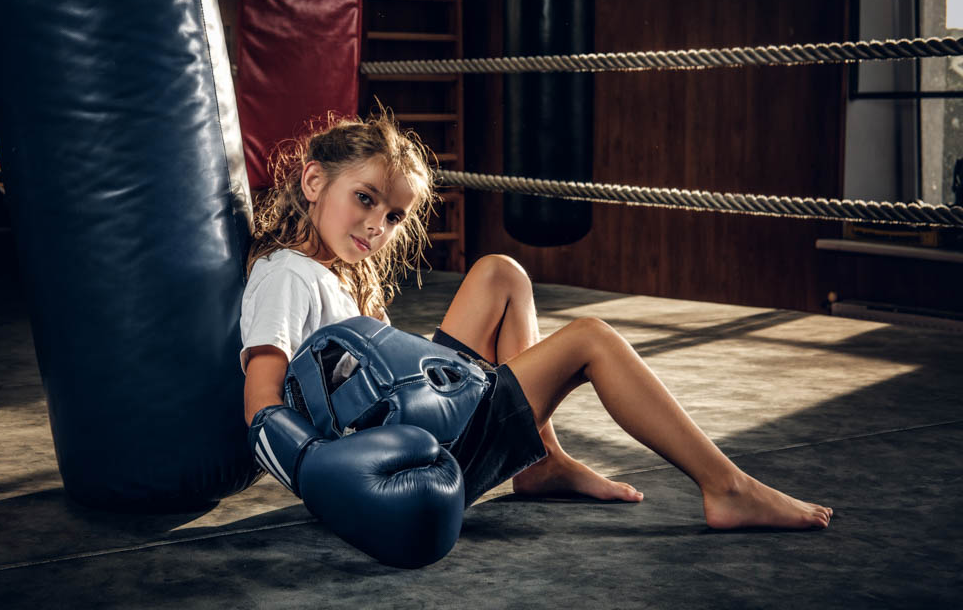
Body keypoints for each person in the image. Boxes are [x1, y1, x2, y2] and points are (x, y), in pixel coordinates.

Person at [241, 110, 833, 531]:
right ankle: (726, 487)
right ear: (314, 180)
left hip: (425, 422)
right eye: (365, 198)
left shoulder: (333, 274)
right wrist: (324, 478)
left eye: (395, 215)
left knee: (500, 273)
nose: (378, 225)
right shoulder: (288, 275)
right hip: (401, 466)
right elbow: (261, 400)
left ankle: (541, 459)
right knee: (591, 339)